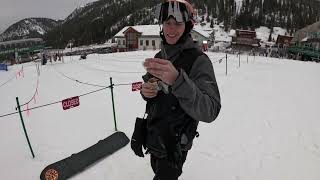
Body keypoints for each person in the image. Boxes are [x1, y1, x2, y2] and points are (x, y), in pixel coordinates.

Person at [130, 0, 221, 179]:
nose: (171, 30)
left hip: (175, 145)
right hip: (154, 137)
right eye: (167, 23)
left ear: (188, 25)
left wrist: (178, 81)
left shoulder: (199, 60)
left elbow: (211, 110)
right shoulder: (160, 56)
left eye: (178, 24)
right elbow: (154, 91)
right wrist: (146, 92)